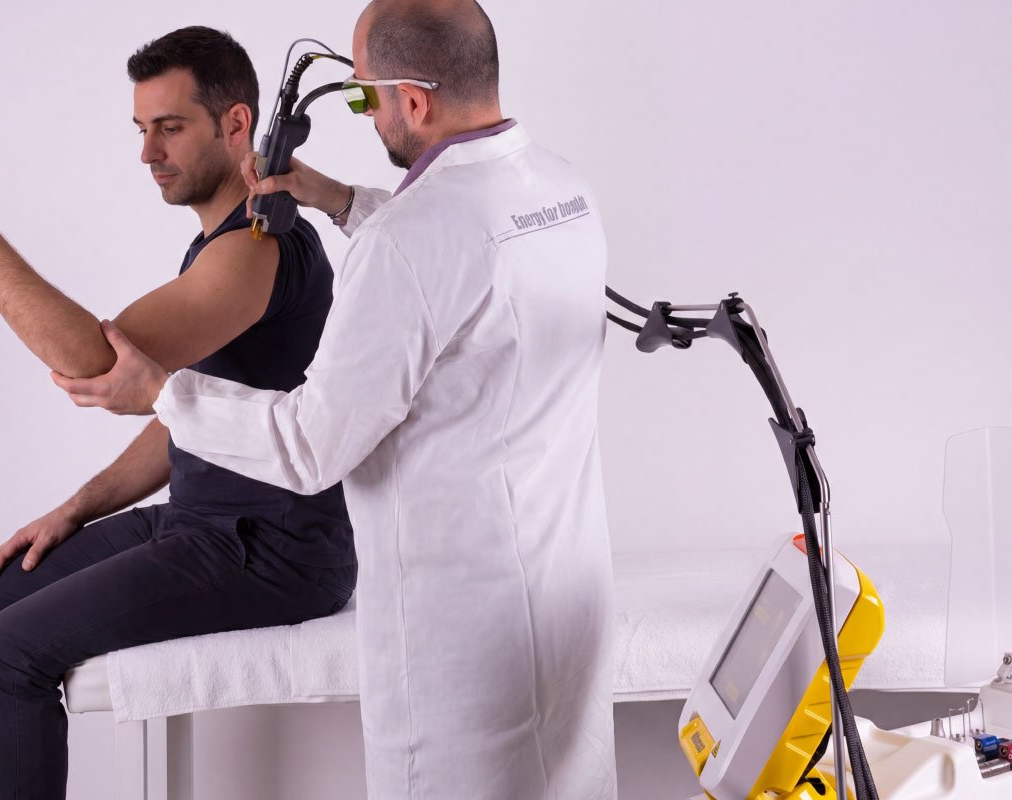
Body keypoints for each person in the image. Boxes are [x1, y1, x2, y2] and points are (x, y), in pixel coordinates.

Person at [54, 2, 617, 797]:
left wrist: (164, 394)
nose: (366, 114)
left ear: (412, 101)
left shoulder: (411, 242)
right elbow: (468, 263)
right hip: (567, 601)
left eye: (363, 96)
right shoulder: (561, 191)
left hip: (459, 645)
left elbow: (309, 446)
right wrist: (340, 199)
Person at [0, 26, 355, 800]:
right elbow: (186, 411)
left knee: (8, 654)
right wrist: (75, 509)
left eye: (169, 127)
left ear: (237, 124)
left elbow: (97, 363)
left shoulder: (256, 246)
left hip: (274, 551)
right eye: (142, 129)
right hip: (204, 523)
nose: (148, 152)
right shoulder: (217, 244)